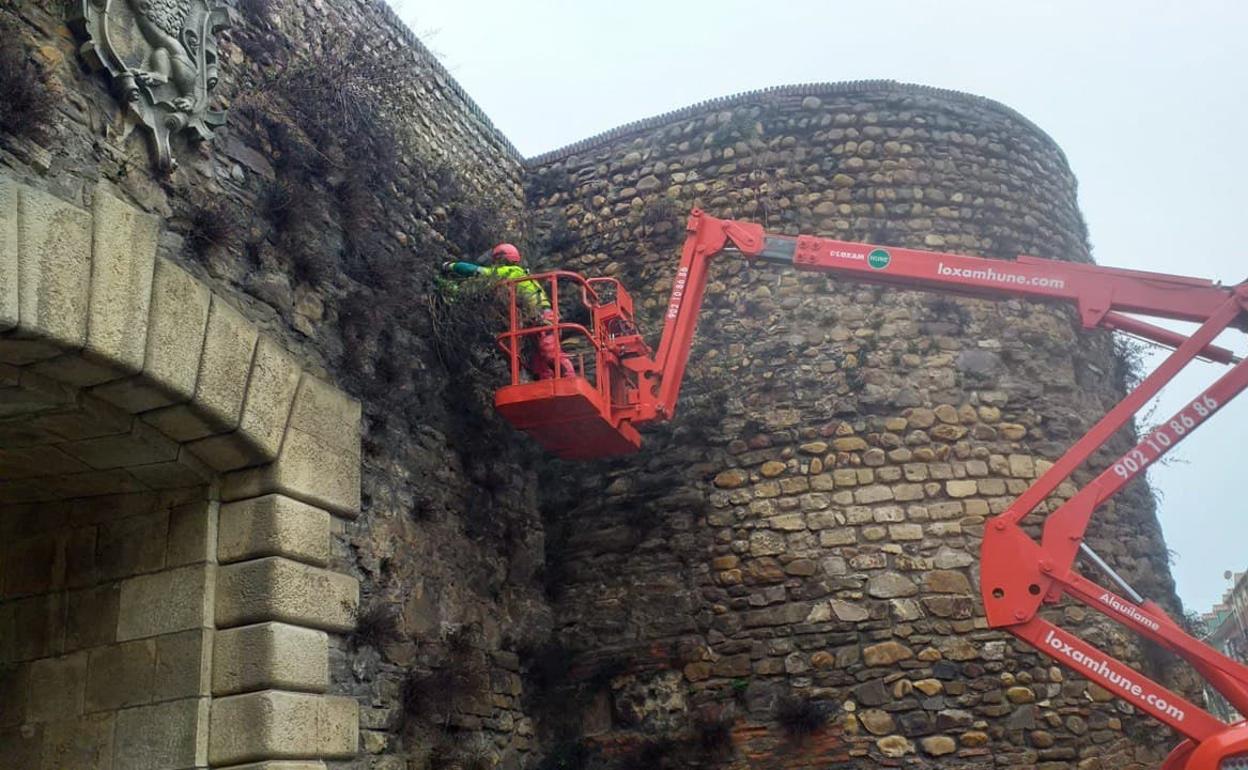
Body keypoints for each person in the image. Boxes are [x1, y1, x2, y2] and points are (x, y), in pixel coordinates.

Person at [441, 243, 574, 380]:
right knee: (539, 361)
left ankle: (570, 378)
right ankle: (547, 384)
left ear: (501, 259)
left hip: (542, 317)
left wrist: (451, 266)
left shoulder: (511, 272)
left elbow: (480, 271)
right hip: (537, 319)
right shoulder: (522, 274)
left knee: (549, 351)